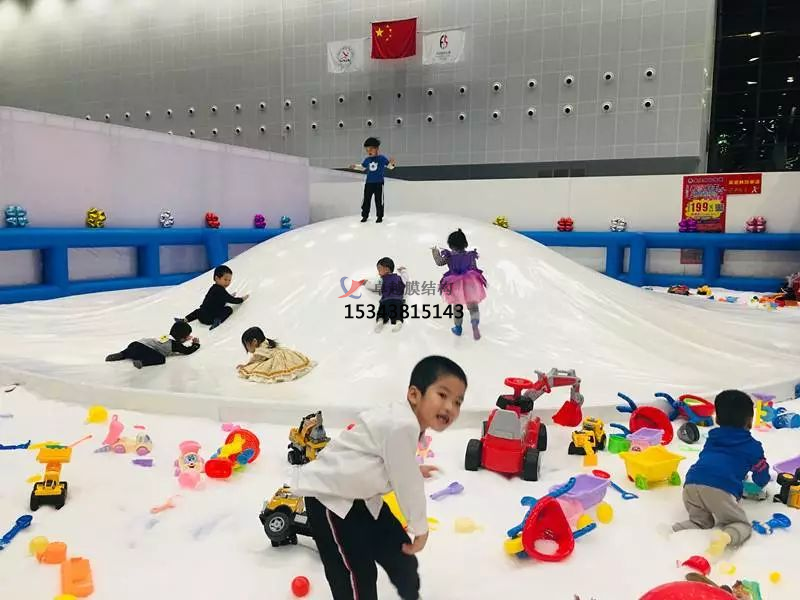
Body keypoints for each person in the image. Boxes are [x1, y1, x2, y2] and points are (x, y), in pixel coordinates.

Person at [291, 355, 467, 600]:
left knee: (400, 553)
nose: (450, 407)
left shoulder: (405, 422)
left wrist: (410, 469)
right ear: (414, 395)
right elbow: (408, 485)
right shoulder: (402, 424)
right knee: (356, 574)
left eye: (458, 401)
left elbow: (385, 459)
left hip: (362, 497)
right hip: (331, 501)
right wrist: (420, 529)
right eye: (443, 395)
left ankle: (410, 593)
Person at [672, 389, 770, 555]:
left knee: (700, 521)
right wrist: (761, 478)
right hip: (720, 489)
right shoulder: (752, 447)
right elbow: (761, 477)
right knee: (741, 525)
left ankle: (675, 530)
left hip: (691, 484)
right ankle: (725, 537)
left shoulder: (713, 438)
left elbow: (715, 460)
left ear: (717, 418)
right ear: (749, 420)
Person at [431, 229, 487, 340]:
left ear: (451, 245)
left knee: (457, 307)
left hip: (455, 284)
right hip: (470, 282)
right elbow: (474, 268)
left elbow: (439, 262)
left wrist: (435, 252)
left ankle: (458, 328)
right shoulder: (470, 255)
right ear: (465, 243)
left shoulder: (449, 256)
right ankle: (475, 323)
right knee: (473, 305)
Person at [105, 320, 200, 369]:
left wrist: (182, 340)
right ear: (182, 337)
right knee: (161, 358)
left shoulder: (166, 337)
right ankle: (142, 362)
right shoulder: (175, 345)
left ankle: (122, 354)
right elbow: (187, 351)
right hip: (144, 351)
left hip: (136, 344)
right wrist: (195, 344)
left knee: (130, 351)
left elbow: (173, 342)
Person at [236, 326, 315, 383]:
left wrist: (246, 365)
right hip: (283, 353)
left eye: (246, 345)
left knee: (264, 369)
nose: (247, 348)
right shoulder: (266, 342)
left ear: (254, 342)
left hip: (278, 358)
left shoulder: (260, 350)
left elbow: (256, 359)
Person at [182, 265, 248, 330]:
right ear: (217, 278)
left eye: (229, 280)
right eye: (225, 279)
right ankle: (218, 320)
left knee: (198, 311)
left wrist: (230, 296)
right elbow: (232, 300)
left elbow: (222, 297)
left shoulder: (213, 288)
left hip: (201, 316)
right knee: (228, 309)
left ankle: (185, 319)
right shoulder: (220, 290)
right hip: (210, 318)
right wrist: (242, 299)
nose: (227, 282)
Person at [349, 137, 396, 223]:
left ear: (377, 148)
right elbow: (363, 167)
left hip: (379, 183)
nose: (369, 151)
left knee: (379, 200)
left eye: (371, 149)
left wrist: (392, 164)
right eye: (367, 150)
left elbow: (390, 167)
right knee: (366, 200)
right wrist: (355, 166)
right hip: (369, 183)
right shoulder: (367, 160)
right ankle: (365, 215)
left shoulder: (382, 158)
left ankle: (379, 216)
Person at [364, 257, 409, 333]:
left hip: (386, 300)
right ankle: (398, 322)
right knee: (397, 311)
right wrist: (403, 270)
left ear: (386, 269)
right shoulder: (399, 278)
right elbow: (406, 279)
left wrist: (366, 283)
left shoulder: (384, 280)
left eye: (379, 270)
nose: (378, 273)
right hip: (398, 300)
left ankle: (380, 321)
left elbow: (374, 287)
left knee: (382, 311)